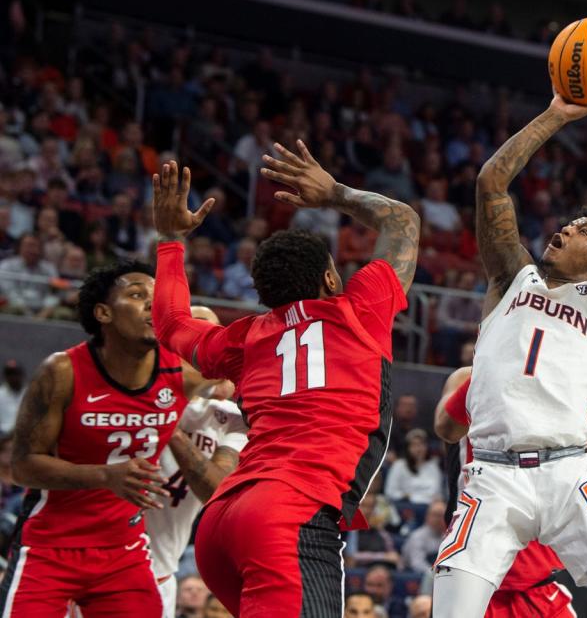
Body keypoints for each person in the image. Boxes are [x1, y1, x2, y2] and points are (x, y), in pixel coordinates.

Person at [431, 70, 587, 617]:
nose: (563, 230)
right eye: (565, 225)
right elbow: (492, 184)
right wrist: (557, 116)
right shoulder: (511, 278)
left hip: (570, 476)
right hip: (492, 477)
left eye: (580, 230)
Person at [151, 151, 419, 617]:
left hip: (222, 521)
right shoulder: (361, 308)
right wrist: (336, 193)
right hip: (290, 517)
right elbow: (402, 221)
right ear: (332, 277)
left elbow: (171, 323)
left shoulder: (246, 339)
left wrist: (171, 240)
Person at [1, 259, 209, 615]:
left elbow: (244, 377)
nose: (150, 304)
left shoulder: (182, 371)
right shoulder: (62, 371)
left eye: (156, 297)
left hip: (123, 550)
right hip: (49, 547)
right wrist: (104, 476)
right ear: (103, 313)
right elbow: (21, 467)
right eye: (136, 294)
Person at [434, 364, 587, 618]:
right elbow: (445, 427)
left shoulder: (566, 383)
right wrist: (498, 361)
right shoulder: (470, 376)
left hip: (541, 584)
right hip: (476, 576)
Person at [147, 307, 248, 618]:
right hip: (95, 563)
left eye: (206, 332)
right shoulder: (136, 392)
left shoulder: (230, 418)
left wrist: (169, 429)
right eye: (189, 329)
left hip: (160, 576)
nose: (197, 339)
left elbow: (214, 490)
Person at [383, 428, 444, 504]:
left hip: (429, 506)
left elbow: (437, 493)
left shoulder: (433, 466)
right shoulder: (399, 465)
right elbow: (390, 492)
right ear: (407, 448)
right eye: (414, 445)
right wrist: (406, 496)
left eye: (421, 444)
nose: (418, 449)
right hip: (405, 505)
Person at [402, 500, 446, 574]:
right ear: (427, 516)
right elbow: (417, 564)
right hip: (415, 575)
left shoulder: (448, 536)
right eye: (435, 515)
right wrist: (437, 574)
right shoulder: (417, 536)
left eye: (442, 516)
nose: (438, 519)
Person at [0, 359, 25, 435]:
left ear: (21, 375)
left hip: (24, 434)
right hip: (3, 435)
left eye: (16, 374)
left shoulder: (29, 394)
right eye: (10, 374)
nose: (13, 377)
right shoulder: (0, 395)